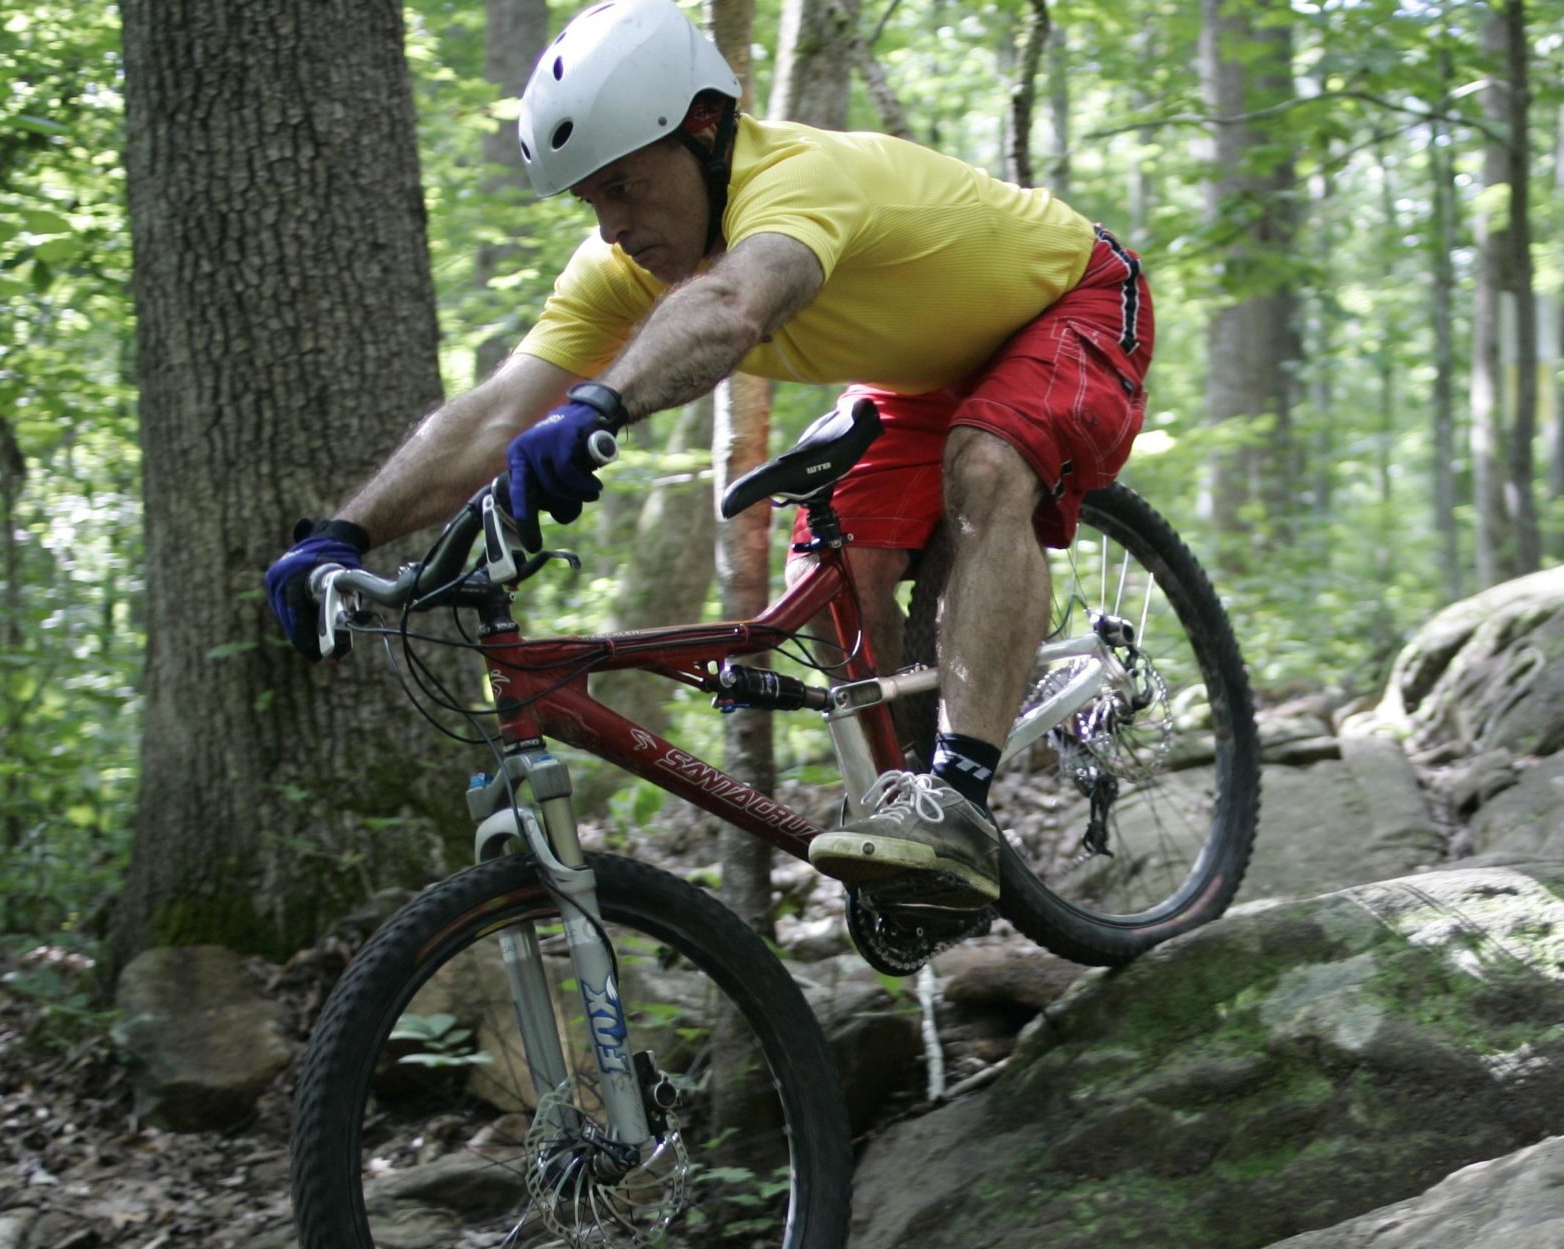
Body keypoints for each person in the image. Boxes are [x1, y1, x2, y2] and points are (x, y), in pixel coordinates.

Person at [260, 0, 1152, 912]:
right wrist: (342, 531)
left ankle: (955, 802)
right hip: (921, 374)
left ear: (703, 128)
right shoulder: (624, 269)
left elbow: (734, 305)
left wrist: (602, 402)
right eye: (591, 200)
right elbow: (493, 416)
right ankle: (909, 803)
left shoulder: (799, 179)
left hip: (1070, 301)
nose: (611, 227)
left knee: (988, 466)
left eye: (624, 187)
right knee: (832, 558)